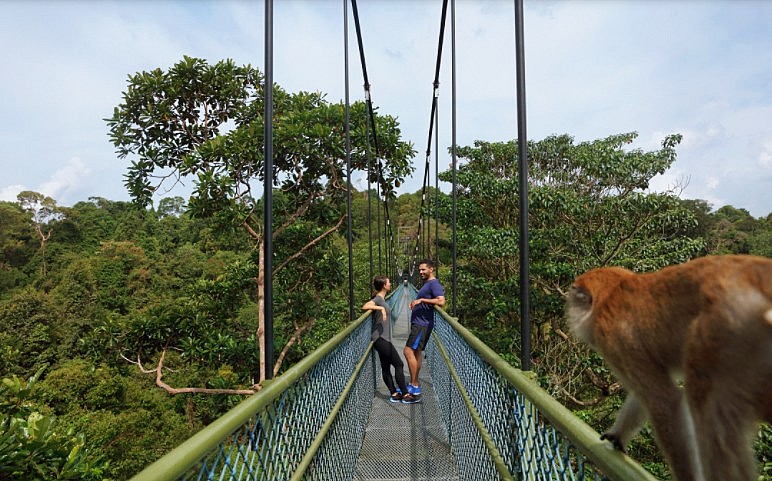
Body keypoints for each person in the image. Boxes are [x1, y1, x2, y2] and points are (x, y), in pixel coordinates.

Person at [402, 259, 445, 404]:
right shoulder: (427, 284)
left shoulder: (434, 284)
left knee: (408, 352)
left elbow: (441, 301)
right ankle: (414, 385)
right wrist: (416, 302)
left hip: (422, 324)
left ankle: (414, 387)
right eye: (419, 270)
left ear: (431, 269)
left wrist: (421, 301)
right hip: (419, 323)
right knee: (416, 352)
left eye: (423, 270)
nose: (420, 272)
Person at [362, 275, 409, 403]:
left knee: (386, 366)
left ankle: (394, 393)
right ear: (384, 285)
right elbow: (365, 306)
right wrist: (381, 308)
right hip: (381, 339)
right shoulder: (378, 299)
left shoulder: (382, 298)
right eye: (388, 282)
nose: (390, 283)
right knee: (399, 364)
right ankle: (405, 394)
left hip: (383, 338)